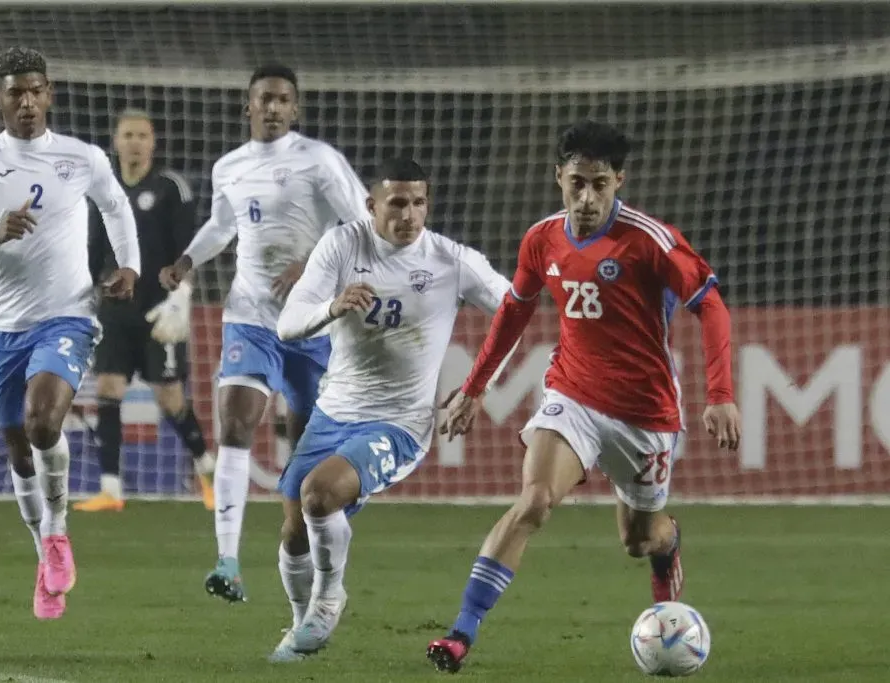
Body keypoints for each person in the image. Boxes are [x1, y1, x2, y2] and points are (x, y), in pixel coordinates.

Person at [425, 120, 742, 673]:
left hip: (645, 414)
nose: (587, 198)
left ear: (619, 180)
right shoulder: (541, 238)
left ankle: (668, 542)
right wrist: (474, 389)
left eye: (600, 183)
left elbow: (710, 305)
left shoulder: (650, 240)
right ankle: (460, 633)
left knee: (638, 540)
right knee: (534, 502)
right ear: (558, 177)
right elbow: (515, 310)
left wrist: (720, 394)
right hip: (572, 395)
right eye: (577, 183)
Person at [266, 158, 514, 661]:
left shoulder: (450, 260)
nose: (409, 214)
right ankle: (300, 629)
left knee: (319, 496)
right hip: (333, 411)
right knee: (294, 529)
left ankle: (328, 598)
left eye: (418, 202)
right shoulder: (342, 245)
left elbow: (516, 308)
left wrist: (476, 386)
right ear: (371, 205)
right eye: (397, 203)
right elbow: (288, 324)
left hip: (400, 422)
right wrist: (331, 308)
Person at [0, 47, 140, 620]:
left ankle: (58, 530)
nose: (26, 102)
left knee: (43, 420)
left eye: (35, 90)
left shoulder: (81, 157)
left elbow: (116, 207)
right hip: (4, 327)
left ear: (49, 93)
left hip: (68, 316)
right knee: (18, 450)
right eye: (14, 93)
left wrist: (129, 266)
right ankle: (43, 555)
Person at [159, 64, 369, 602]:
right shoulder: (229, 167)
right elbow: (223, 225)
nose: (273, 108)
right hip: (250, 317)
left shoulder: (320, 162)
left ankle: (310, 564)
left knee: (306, 458)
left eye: (282, 100)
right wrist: (186, 259)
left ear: (294, 109)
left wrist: (312, 266)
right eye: (264, 99)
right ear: (247, 107)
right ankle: (226, 560)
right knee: (235, 423)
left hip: (314, 324)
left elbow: (364, 227)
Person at [75, 109, 215, 513]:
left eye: (142, 135)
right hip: (116, 309)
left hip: (159, 309)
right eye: (128, 134)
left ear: (153, 143)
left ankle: (208, 471)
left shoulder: (172, 188)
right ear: (116, 141)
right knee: (107, 389)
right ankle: (111, 489)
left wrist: (181, 298)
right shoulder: (102, 191)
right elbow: (93, 251)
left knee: (170, 398)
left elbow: (186, 249)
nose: (135, 142)